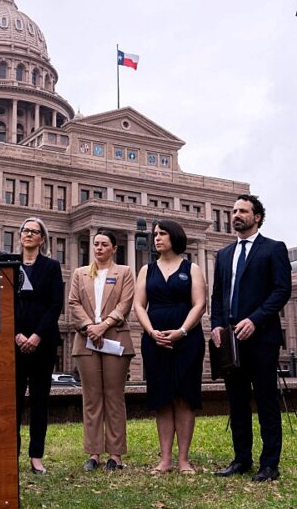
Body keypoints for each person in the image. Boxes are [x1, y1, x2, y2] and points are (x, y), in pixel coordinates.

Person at [211, 195, 291, 482]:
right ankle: (241, 459)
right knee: (237, 401)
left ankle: (269, 464)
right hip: (231, 340)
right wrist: (217, 325)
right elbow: (218, 296)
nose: (236, 215)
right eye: (233, 211)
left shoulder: (273, 249)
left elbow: (281, 291)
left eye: (243, 211)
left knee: (266, 399)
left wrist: (255, 320)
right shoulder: (223, 254)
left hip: (262, 337)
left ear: (257, 217)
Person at [134, 220, 206, 474]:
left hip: (187, 340)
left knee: (184, 398)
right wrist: (151, 331)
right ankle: (165, 459)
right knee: (162, 398)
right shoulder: (147, 270)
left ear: (174, 237)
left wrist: (182, 331)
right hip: (155, 342)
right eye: (155, 234)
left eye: (162, 234)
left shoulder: (192, 268)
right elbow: (139, 305)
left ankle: (184, 460)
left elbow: (199, 304)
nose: (157, 238)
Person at [68, 230, 135, 472]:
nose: (98, 248)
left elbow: (125, 303)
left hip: (115, 339)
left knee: (114, 397)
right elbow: (73, 302)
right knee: (91, 398)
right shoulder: (79, 273)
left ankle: (115, 455)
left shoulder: (124, 272)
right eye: (96, 244)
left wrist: (104, 325)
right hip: (86, 340)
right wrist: (89, 326)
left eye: (104, 244)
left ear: (114, 248)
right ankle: (93, 453)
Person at [14, 217, 64, 474]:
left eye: (34, 231)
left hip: (43, 343)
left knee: (39, 401)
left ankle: (36, 456)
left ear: (42, 239)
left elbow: (56, 304)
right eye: (26, 230)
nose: (29, 234)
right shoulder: (9, 265)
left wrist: (36, 336)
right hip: (14, 343)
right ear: (20, 235)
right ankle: (12, 453)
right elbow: (2, 301)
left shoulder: (52, 267)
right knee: (12, 401)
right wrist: (17, 335)